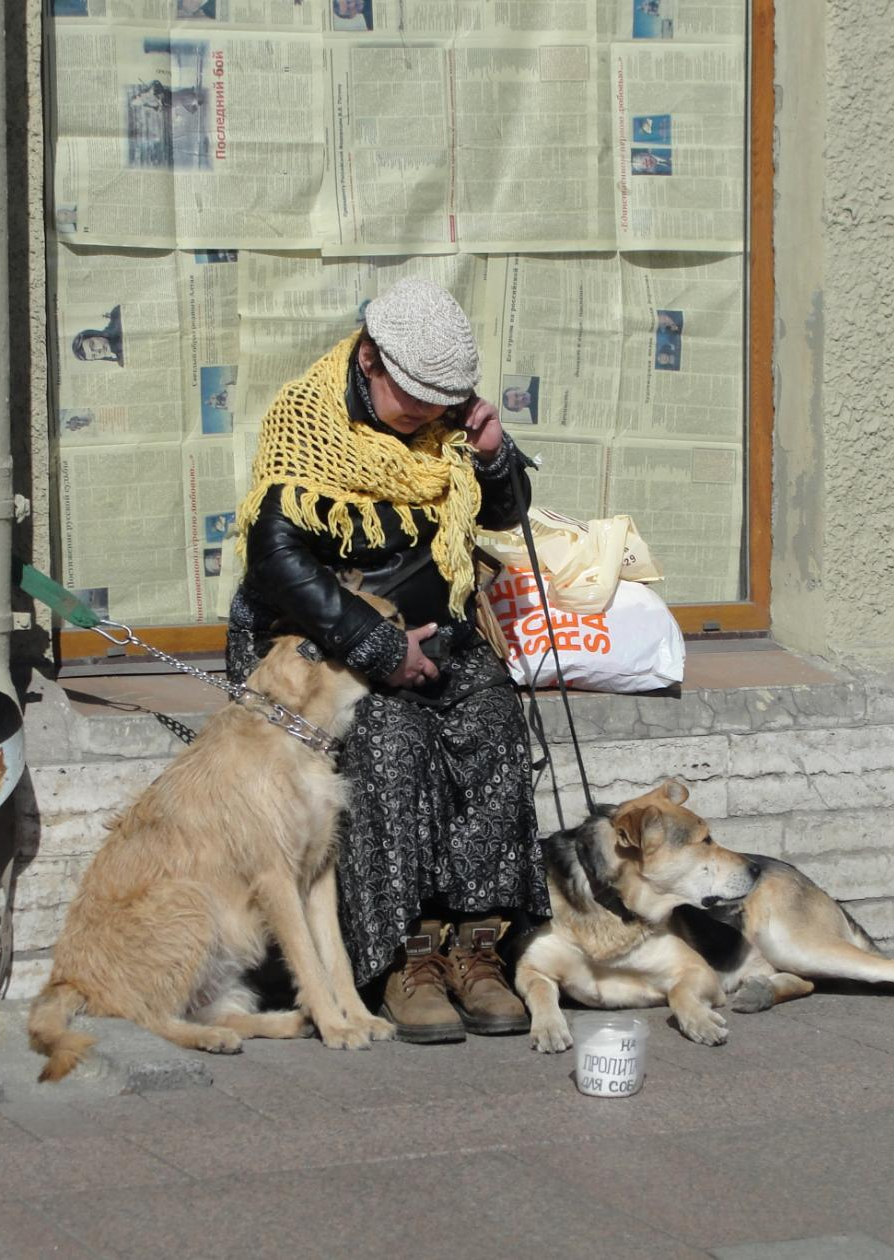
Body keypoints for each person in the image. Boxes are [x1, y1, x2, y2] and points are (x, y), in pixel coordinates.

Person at [230, 277, 550, 1044]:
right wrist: (376, 645)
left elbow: (503, 514)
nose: (431, 415)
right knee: (390, 742)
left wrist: (496, 454)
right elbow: (275, 560)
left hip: (438, 633)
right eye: (416, 398)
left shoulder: (445, 429)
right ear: (369, 359)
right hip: (325, 645)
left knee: (494, 720)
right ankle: (403, 957)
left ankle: (475, 946)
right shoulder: (306, 421)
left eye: (446, 402)